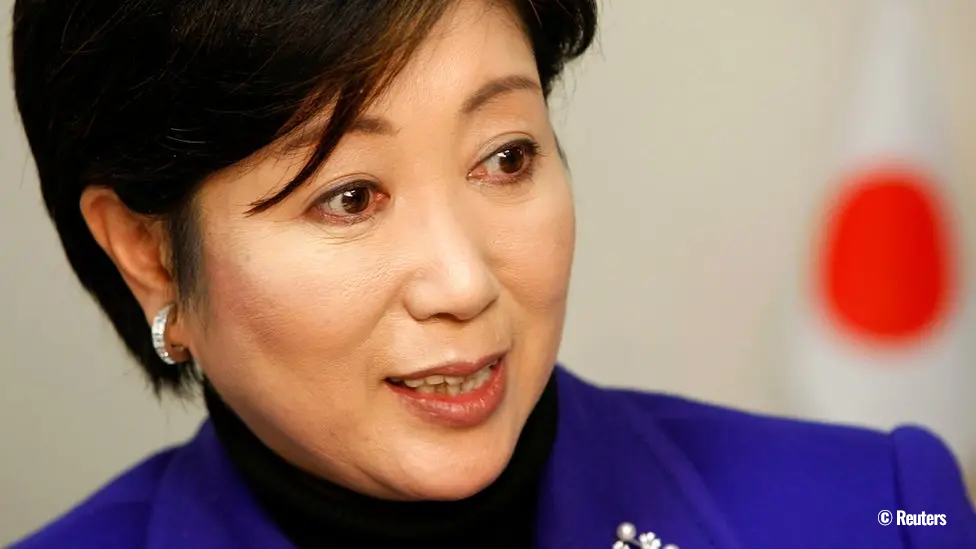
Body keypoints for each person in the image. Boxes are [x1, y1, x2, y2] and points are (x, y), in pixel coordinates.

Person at [8, 0, 976, 547]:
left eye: (505, 158)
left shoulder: (880, 510)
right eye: (350, 196)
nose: (463, 282)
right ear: (148, 253)